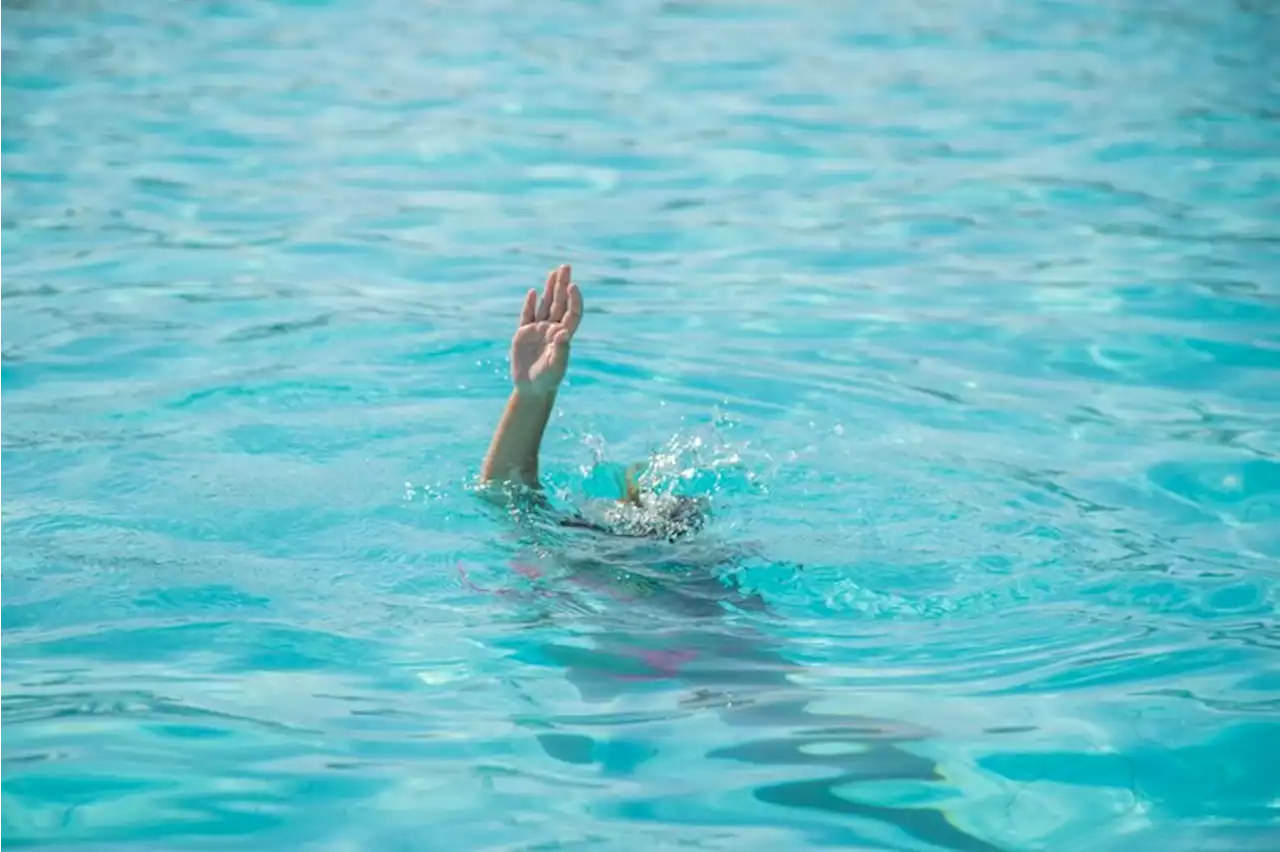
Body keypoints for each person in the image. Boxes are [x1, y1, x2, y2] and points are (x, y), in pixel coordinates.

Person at [480, 263, 707, 541]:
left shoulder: (577, 553)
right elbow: (503, 493)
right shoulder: (583, 551)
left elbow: (504, 495)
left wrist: (532, 395)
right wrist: (532, 393)